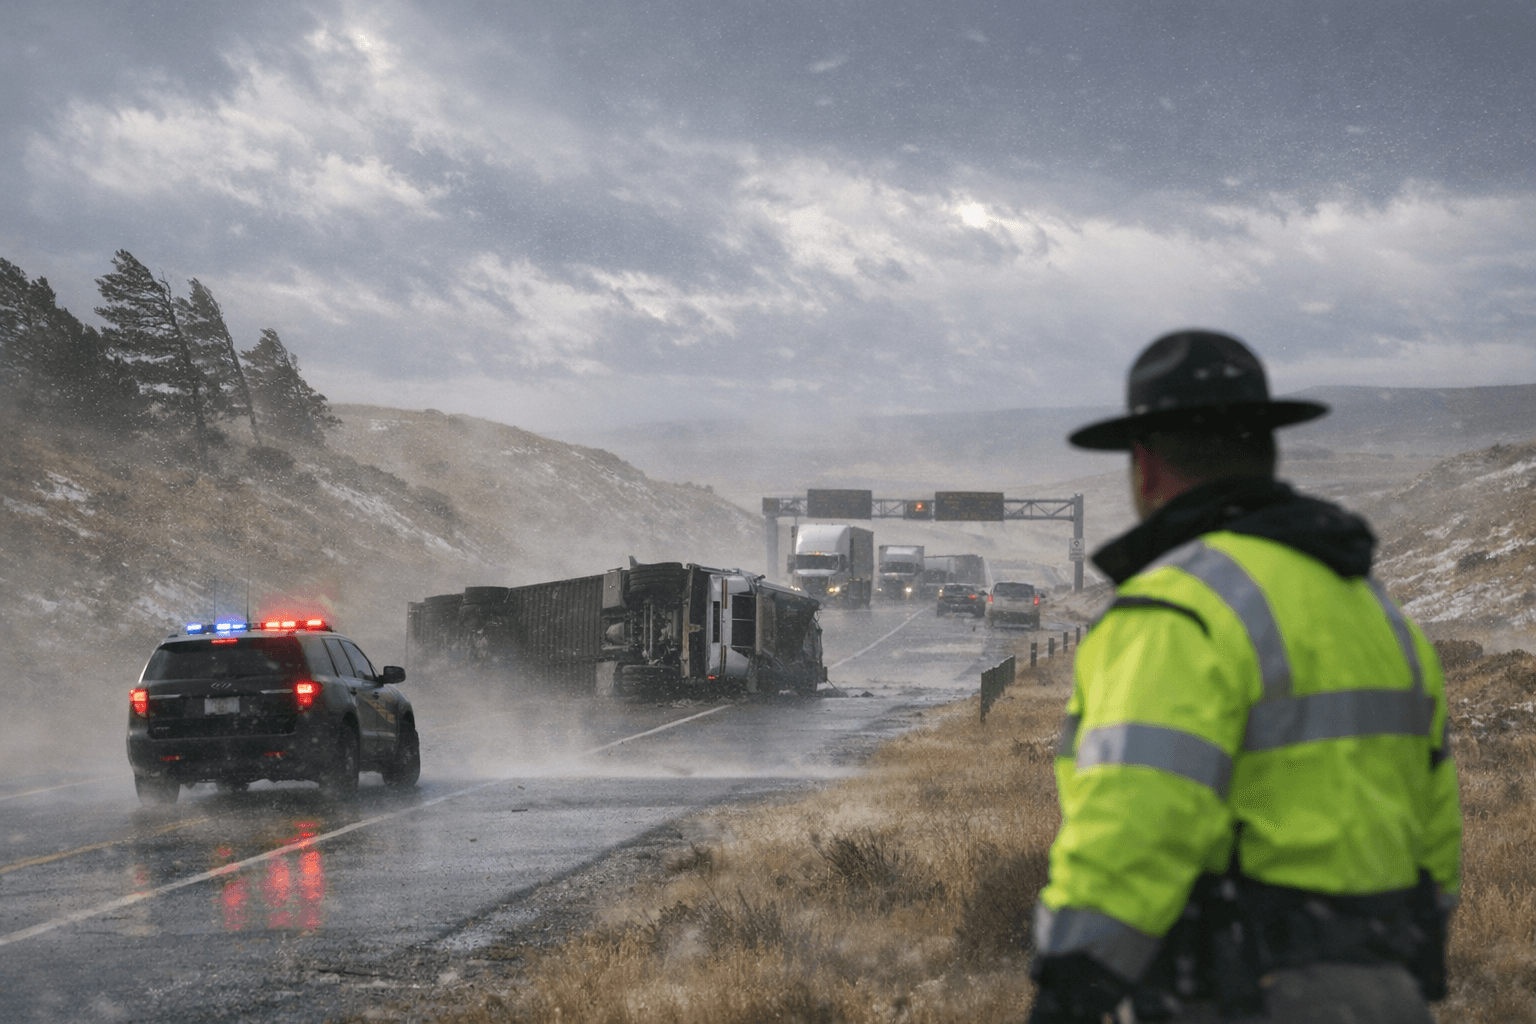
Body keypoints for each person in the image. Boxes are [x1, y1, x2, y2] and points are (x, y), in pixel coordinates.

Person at [1027, 330, 1461, 1024]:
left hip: (1234, 995)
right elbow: (1435, 817)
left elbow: (1137, 825)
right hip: (1386, 993)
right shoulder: (1375, 609)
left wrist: (1068, 989)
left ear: (1144, 467)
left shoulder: (1176, 609)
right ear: (1266, 452)